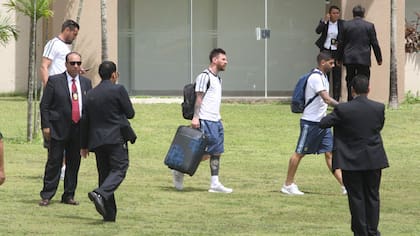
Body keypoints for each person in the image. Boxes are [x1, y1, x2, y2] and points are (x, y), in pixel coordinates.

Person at [319, 74, 389, 236]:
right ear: (369, 89)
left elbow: (324, 123)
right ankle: (372, 230)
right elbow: (379, 126)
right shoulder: (378, 107)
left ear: (352, 90)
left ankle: (360, 231)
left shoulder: (343, 109)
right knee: (373, 196)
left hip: (351, 160)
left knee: (356, 197)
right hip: (373, 158)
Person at [281, 51, 345, 195]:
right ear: (323, 62)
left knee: (330, 154)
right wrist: (343, 107)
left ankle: (344, 185)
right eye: (331, 63)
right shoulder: (316, 78)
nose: (333, 66)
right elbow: (326, 98)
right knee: (299, 153)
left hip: (322, 122)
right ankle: (287, 185)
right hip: (310, 123)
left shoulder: (323, 77)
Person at [172, 48, 232, 193]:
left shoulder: (218, 79)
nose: (226, 62)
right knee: (201, 152)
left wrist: (219, 117)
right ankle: (179, 171)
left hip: (216, 120)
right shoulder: (204, 77)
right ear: (214, 60)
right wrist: (196, 117)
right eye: (223, 59)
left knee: (216, 151)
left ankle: (215, 183)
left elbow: (213, 100)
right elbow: (199, 99)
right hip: (205, 119)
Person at [80, 61, 135, 222]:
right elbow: (130, 113)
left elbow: (85, 120)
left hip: (97, 141)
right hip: (115, 138)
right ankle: (100, 193)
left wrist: (83, 145)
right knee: (120, 168)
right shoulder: (118, 89)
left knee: (104, 175)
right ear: (114, 75)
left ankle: (109, 214)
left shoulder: (90, 93)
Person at [39, 52, 92, 206]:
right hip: (58, 128)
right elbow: (45, 106)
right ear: (66, 64)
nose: (76, 66)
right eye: (72, 63)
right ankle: (47, 195)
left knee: (74, 163)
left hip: (78, 130)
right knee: (54, 162)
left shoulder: (86, 83)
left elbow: (88, 107)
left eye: (78, 63)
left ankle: (68, 195)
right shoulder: (55, 81)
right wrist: (46, 126)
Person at [40, 19, 80, 180]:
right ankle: (57, 167)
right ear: (68, 30)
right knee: (54, 135)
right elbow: (44, 66)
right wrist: (48, 88)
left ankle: (63, 167)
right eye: (74, 34)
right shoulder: (53, 44)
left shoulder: (66, 48)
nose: (75, 37)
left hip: (66, 95)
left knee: (67, 132)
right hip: (54, 94)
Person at [337, 5, 382, 101]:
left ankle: (350, 99)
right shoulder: (369, 26)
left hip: (349, 58)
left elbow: (340, 42)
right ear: (363, 14)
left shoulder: (345, 25)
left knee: (350, 79)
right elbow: (374, 43)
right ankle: (363, 99)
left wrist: (338, 58)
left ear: (353, 14)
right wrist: (379, 58)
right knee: (364, 80)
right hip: (363, 58)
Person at [315, 5, 344, 101]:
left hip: (336, 51)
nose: (336, 15)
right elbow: (317, 31)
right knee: (325, 74)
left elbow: (342, 39)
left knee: (337, 75)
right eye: (334, 13)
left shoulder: (342, 24)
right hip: (326, 50)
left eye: (337, 13)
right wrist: (324, 21)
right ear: (329, 14)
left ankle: (336, 99)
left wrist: (340, 57)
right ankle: (325, 97)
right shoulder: (325, 22)